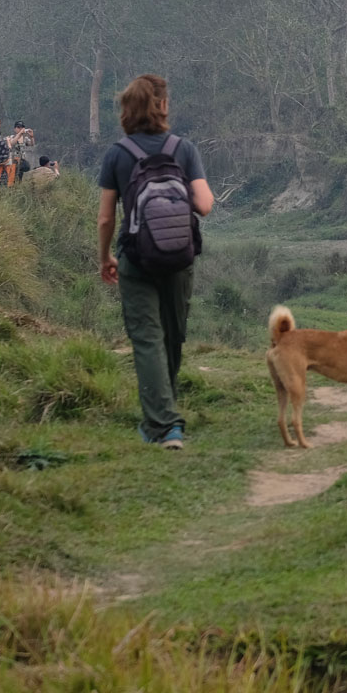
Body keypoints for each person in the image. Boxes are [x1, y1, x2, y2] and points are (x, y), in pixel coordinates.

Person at [98, 74, 214, 451]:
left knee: (147, 340)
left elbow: (105, 218)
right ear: (162, 106)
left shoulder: (117, 154)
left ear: (127, 110)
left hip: (136, 259)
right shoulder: (185, 149)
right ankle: (167, 418)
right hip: (179, 258)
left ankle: (163, 425)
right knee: (172, 336)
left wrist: (105, 257)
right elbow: (205, 205)